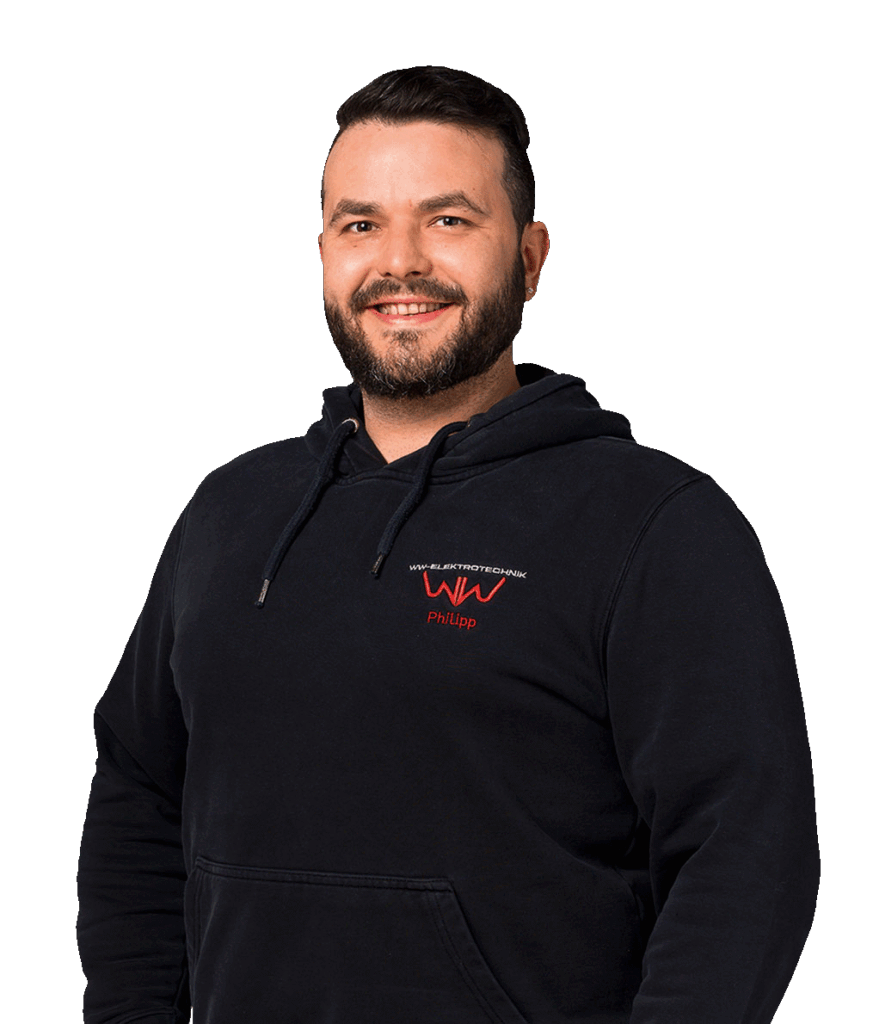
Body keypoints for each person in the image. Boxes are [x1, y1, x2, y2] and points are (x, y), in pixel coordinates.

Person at [77, 66, 819, 1023]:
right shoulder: (229, 510)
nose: (400, 262)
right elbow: (138, 784)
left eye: (448, 220)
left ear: (530, 258)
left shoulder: (653, 523)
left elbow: (742, 853)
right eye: (361, 224)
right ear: (322, 253)